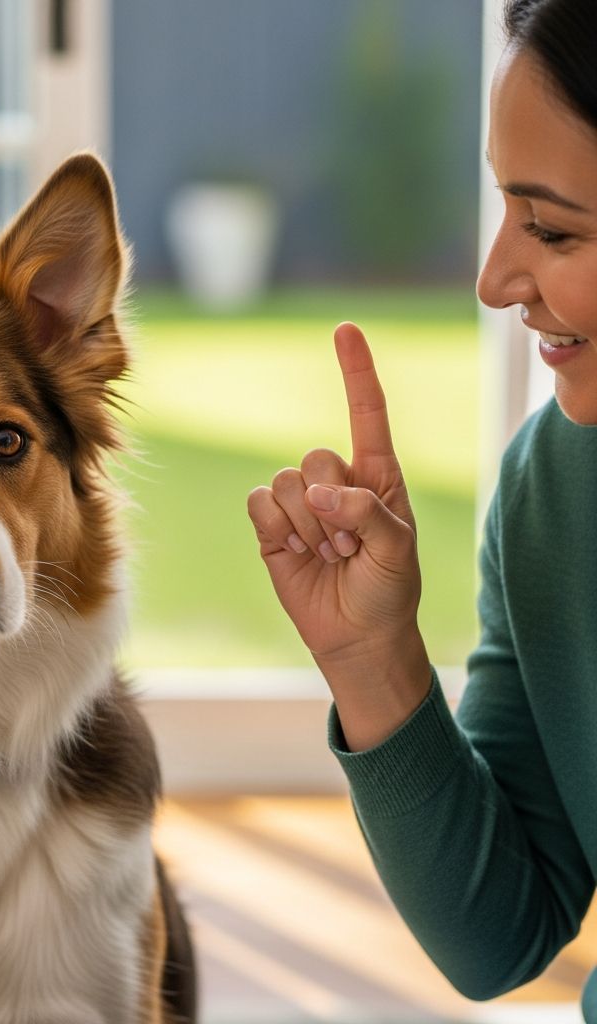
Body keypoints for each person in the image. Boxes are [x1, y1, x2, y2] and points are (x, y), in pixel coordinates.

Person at [247, 0, 597, 1018]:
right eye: (504, 210)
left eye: (553, 228)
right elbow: (499, 932)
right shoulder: (547, 493)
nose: (495, 280)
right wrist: (374, 665)